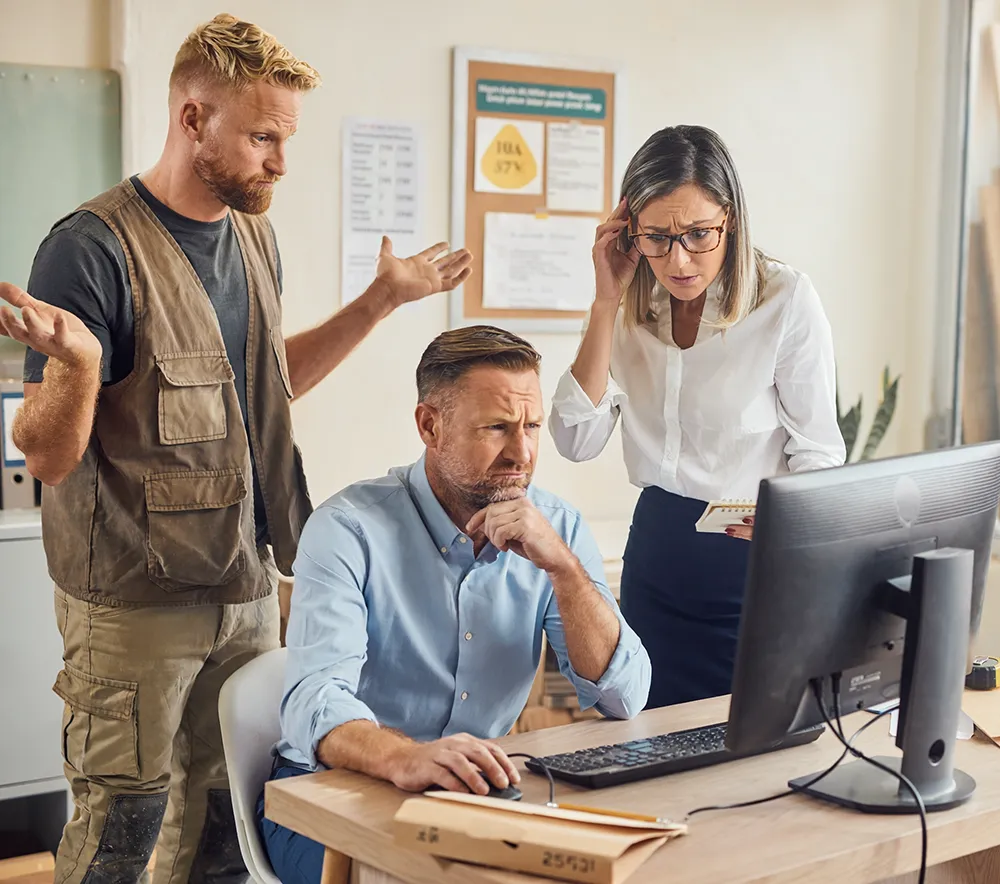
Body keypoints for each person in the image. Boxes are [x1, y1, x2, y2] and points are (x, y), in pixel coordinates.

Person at [0, 14, 471, 884]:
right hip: (135, 606)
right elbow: (49, 454)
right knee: (119, 835)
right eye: (263, 137)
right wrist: (82, 366)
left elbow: (261, 382)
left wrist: (379, 301)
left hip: (245, 587)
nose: (281, 163)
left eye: (285, 139)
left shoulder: (253, 234)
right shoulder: (91, 247)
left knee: (222, 832)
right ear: (191, 119)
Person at [257, 325, 651, 884]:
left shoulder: (556, 527)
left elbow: (623, 697)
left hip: (476, 794)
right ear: (429, 425)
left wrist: (564, 569)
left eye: (532, 426)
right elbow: (314, 701)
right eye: (496, 428)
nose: (523, 452)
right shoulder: (348, 529)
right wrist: (408, 758)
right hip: (329, 798)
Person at [548, 125, 846, 711]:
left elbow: (819, 450)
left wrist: (790, 519)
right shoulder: (632, 303)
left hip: (752, 556)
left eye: (698, 235)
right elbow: (576, 440)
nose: (678, 259)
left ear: (730, 219)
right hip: (658, 554)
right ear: (629, 231)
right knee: (643, 738)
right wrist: (605, 302)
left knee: (748, 748)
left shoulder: (783, 300)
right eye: (656, 237)